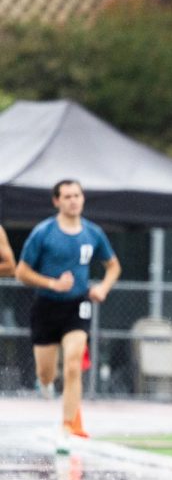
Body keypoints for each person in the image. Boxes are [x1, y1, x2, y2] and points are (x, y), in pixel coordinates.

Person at [15, 180, 122, 453]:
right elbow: (21, 272)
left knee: (74, 365)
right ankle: (46, 383)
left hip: (78, 305)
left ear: (83, 199)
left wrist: (103, 288)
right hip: (47, 305)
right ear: (57, 201)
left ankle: (65, 428)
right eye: (67, 196)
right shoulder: (44, 233)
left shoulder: (93, 233)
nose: (73, 200)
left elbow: (113, 266)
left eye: (77, 195)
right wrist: (52, 283)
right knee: (47, 372)